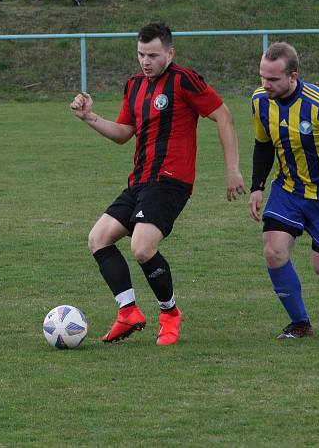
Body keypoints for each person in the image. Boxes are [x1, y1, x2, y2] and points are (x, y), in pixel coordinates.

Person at [69, 23, 245, 347]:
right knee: (98, 239)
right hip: (140, 181)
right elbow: (124, 133)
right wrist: (90, 118)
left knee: (141, 246)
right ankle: (128, 312)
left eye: (152, 55)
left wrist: (232, 170)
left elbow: (224, 116)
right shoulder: (134, 85)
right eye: (140, 54)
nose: (145, 61)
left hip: (171, 182)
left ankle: (170, 314)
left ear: (170, 52)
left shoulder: (183, 80)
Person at [248, 42, 319, 340]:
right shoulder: (260, 101)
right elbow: (263, 144)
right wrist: (257, 186)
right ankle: (300, 323)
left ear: (293, 76)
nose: (265, 84)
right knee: (274, 251)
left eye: (273, 79)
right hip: (288, 190)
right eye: (262, 76)